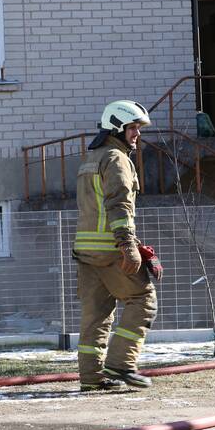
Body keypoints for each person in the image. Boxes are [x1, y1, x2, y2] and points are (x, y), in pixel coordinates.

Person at [73, 100, 158, 391]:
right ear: (116, 128)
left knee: (96, 315)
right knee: (143, 301)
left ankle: (91, 378)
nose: (137, 134)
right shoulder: (117, 158)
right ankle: (121, 364)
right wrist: (128, 245)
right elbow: (118, 205)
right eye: (132, 128)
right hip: (111, 250)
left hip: (86, 251)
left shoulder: (91, 158)